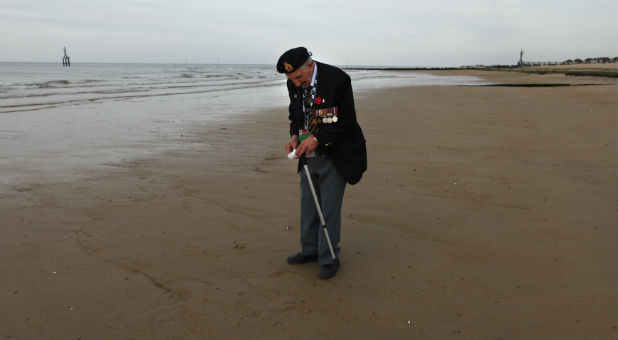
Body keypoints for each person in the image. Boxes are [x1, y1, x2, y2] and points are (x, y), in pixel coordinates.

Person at [276, 47, 367, 279]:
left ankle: (329, 258)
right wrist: (295, 136)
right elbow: (295, 114)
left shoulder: (338, 79)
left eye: (298, 78)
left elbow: (347, 121)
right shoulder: (293, 84)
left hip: (337, 153)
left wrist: (317, 139)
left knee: (329, 208)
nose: (296, 84)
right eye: (291, 80)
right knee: (308, 204)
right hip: (307, 153)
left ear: (309, 64)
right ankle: (309, 250)